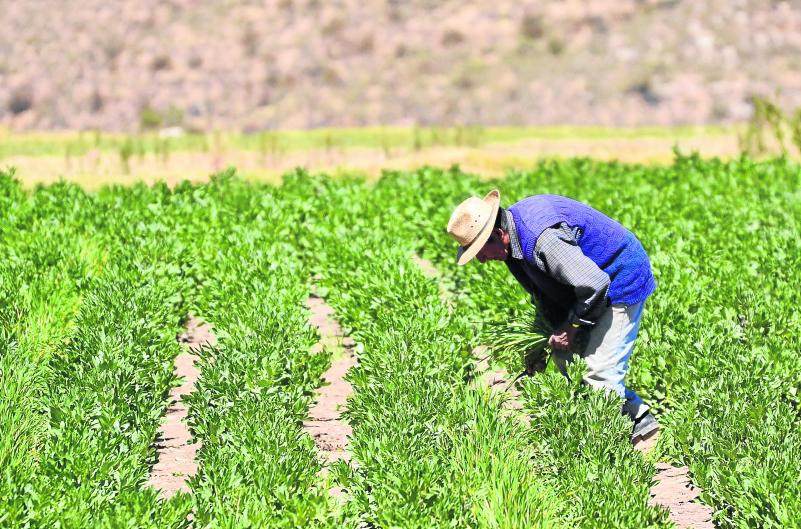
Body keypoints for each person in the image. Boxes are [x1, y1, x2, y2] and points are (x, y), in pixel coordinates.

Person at [446, 189, 659, 443]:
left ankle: (608, 445)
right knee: (564, 355)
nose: (481, 260)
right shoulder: (511, 248)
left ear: (498, 234)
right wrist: (541, 344)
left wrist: (573, 325)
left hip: (619, 277)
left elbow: (595, 284)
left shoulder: (542, 239)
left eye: (480, 250)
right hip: (587, 286)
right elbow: (545, 294)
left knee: (600, 374)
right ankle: (634, 416)